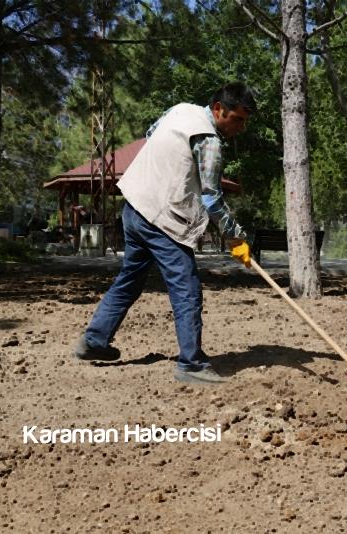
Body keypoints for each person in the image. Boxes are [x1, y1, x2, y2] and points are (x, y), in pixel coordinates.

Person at [73, 82, 255, 385]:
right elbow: (211, 197)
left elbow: (150, 133)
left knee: (130, 279)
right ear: (218, 108)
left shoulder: (180, 110)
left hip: (134, 206)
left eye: (245, 121)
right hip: (162, 220)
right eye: (237, 118)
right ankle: (191, 365)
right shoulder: (209, 140)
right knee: (186, 289)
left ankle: (94, 341)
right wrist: (236, 237)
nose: (241, 126)